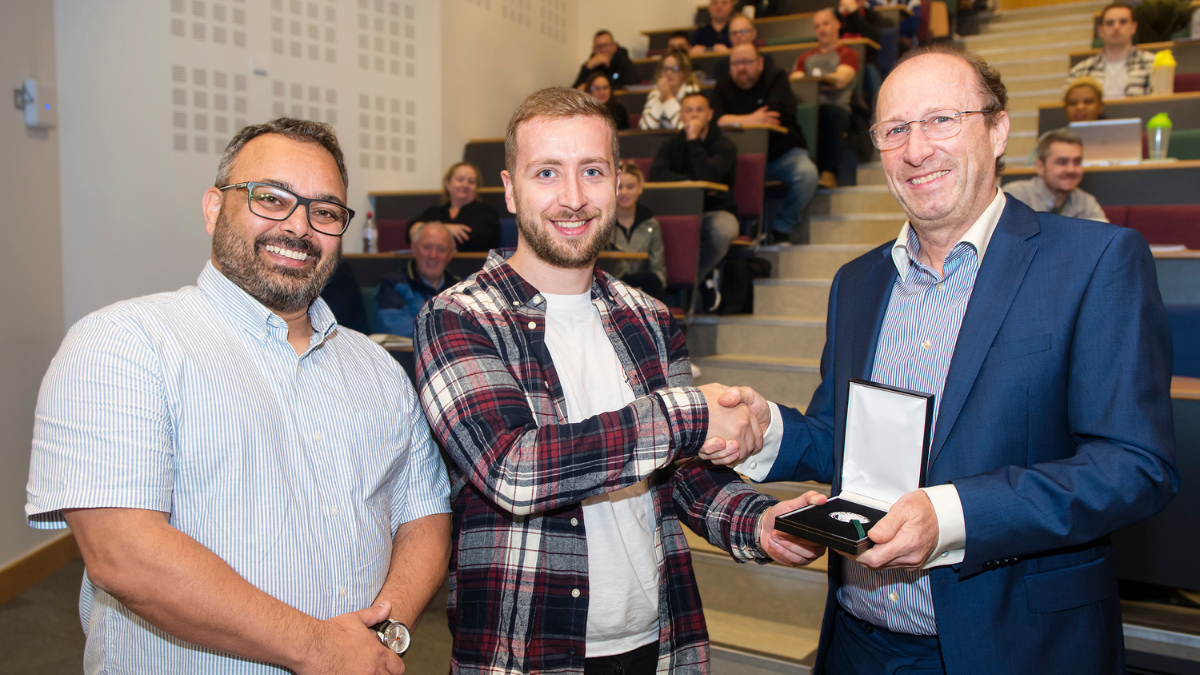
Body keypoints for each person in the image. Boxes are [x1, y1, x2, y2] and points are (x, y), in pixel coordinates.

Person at [720, 44, 1178, 674]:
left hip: (1015, 647)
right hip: (857, 643)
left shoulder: (1095, 262)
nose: (916, 150)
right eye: (895, 129)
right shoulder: (856, 282)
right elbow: (845, 438)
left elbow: (1134, 465)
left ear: (997, 130)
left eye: (942, 120)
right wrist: (765, 430)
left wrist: (954, 516)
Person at [412, 86, 820, 675]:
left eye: (593, 171)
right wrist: (689, 415)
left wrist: (759, 522)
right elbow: (515, 471)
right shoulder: (457, 316)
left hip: (656, 643)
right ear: (508, 188)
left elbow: (683, 477)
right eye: (547, 172)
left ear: (619, 179)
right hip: (525, 648)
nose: (573, 198)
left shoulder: (649, 318)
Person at [25, 118, 453, 673]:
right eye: (270, 198)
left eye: (324, 211)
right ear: (213, 208)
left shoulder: (377, 368)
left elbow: (424, 515)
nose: (299, 227)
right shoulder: (125, 343)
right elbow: (122, 555)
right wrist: (322, 649)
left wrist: (383, 636)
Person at [713, 43, 820, 244]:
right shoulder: (722, 86)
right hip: (741, 159)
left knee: (807, 175)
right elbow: (715, 120)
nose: (741, 68)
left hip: (781, 154)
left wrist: (733, 119)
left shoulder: (776, 78)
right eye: (735, 63)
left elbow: (774, 114)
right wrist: (753, 118)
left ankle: (782, 226)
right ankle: (743, 229)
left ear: (760, 63)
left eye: (746, 62)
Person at [649, 92, 740, 295]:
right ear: (681, 116)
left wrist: (693, 141)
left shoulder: (725, 145)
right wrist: (688, 182)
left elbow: (708, 175)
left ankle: (692, 282)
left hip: (715, 211)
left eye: (699, 110)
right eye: (689, 110)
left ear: (709, 114)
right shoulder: (670, 145)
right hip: (680, 211)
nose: (694, 115)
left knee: (723, 231)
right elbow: (655, 175)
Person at [791, 9, 860, 189]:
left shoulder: (848, 54)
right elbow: (794, 82)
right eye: (817, 26)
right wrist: (823, 80)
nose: (822, 29)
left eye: (826, 23)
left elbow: (840, 81)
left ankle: (829, 173)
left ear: (837, 24)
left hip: (836, 108)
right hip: (809, 107)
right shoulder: (805, 57)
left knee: (827, 114)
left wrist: (810, 81)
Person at [376, 222, 460, 337]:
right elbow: (396, 328)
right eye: (426, 247)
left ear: (451, 254)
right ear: (413, 249)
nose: (433, 255)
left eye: (441, 249)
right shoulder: (392, 284)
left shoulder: (462, 289)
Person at [1003, 130, 1108, 222]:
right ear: (1040, 167)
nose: (1071, 170)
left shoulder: (1086, 202)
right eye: (1062, 162)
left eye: (1077, 162)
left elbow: (1105, 241)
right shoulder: (1016, 195)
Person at [1066, 2, 1156, 99]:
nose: (1116, 27)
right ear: (1100, 31)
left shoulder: (1154, 65)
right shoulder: (1079, 72)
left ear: (1133, 27)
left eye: (1123, 22)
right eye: (1110, 23)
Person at [407, 161, 501, 252]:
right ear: (447, 183)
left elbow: (472, 241)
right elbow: (411, 232)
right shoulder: (435, 212)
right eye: (460, 180)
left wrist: (428, 234)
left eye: (471, 182)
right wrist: (446, 228)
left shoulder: (487, 213)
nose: (465, 185)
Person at [607, 162, 667, 303]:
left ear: (640, 188)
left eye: (630, 187)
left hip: (643, 292)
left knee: (652, 280)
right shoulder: (603, 223)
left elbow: (658, 269)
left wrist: (643, 293)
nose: (624, 193)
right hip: (610, 292)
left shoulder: (652, 225)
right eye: (620, 187)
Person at [638, 49, 701, 130]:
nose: (669, 73)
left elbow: (687, 128)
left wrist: (668, 97)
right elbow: (645, 128)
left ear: (684, 72)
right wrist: (660, 100)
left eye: (674, 69)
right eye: (665, 69)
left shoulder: (692, 91)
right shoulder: (655, 94)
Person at [710, 14, 776, 82]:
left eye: (743, 31)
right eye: (734, 33)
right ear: (729, 37)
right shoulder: (721, 66)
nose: (738, 35)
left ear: (753, 34)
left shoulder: (766, 61)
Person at [573, 29, 642, 91]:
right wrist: (587, 67)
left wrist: (593, 88)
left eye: (606, 45)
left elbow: (632, 86)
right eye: (598, 47)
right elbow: (574, 91)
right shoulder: (591, 65)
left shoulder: (625, 63)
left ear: (615, 46)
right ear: (593, 49)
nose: (602, 50)